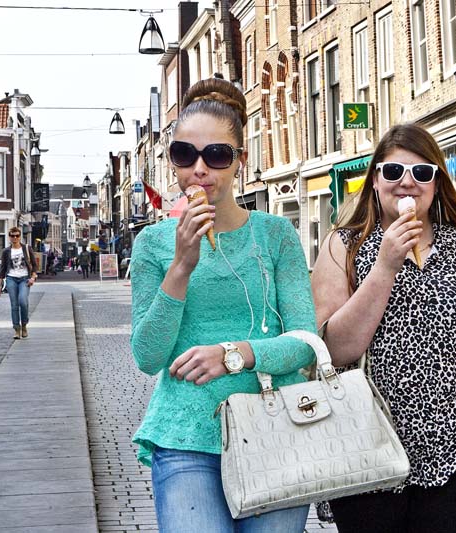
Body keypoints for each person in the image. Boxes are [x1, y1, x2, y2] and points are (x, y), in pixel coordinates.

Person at [311, 124, 456, 533]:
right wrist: (386, 264)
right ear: (375, 181)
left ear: (437, 184)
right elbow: (336, 349)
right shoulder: (344, 246)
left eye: (422, 173)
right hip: (368, 452)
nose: (407, 182)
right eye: (393, 173)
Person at [129, 77, 316, 533]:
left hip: (276, 426)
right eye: (184, 155)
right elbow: (148, 356)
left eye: (216, 155)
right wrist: (181, 266)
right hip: (186, 434)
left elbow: (305, 342)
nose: (199, 169)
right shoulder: (153, 244)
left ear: (239, 163)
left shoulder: (277, 236)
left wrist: (235, 354)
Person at [0, 227, 38, 339]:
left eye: (17, 236)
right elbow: (2, 269)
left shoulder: (27, 249)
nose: (15, 238)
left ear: (20, 237)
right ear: (9, 237)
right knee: (14, 305)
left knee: (23, 301)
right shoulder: (6, 251)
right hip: (11, 279)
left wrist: (33, 278)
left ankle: (24, 324)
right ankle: (17, 329)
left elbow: (34, 265)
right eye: (12, 236)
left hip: (24, 279)